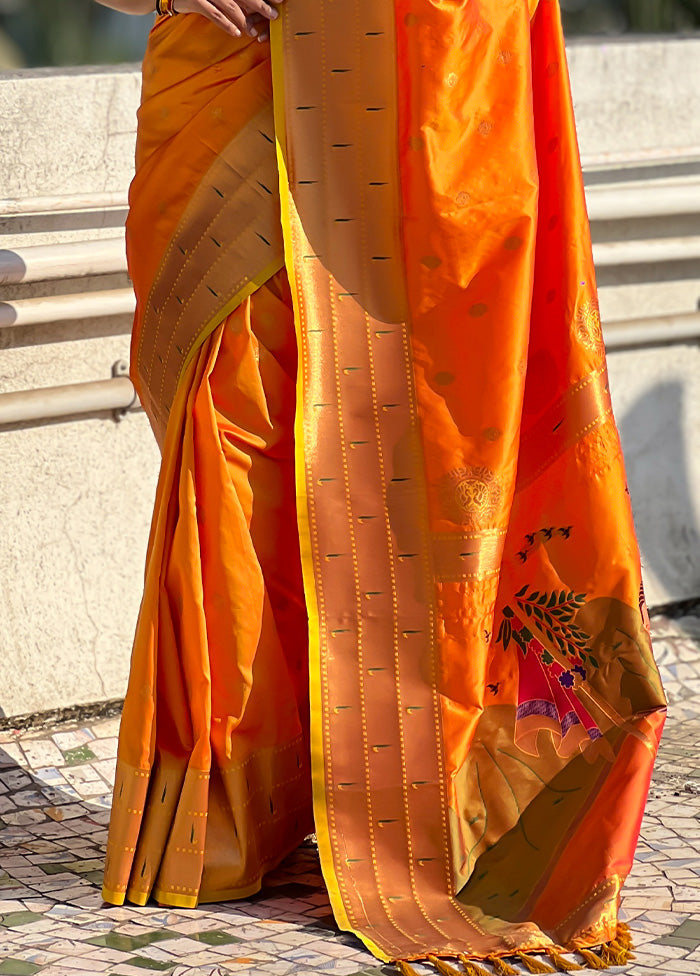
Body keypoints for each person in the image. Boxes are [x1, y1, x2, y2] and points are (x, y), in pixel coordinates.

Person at [96, 0, 666, 972]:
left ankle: (425, 795)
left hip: (436, 78)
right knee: (231, 426)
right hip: (229, 72)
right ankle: (230, 805)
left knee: (427, 440)